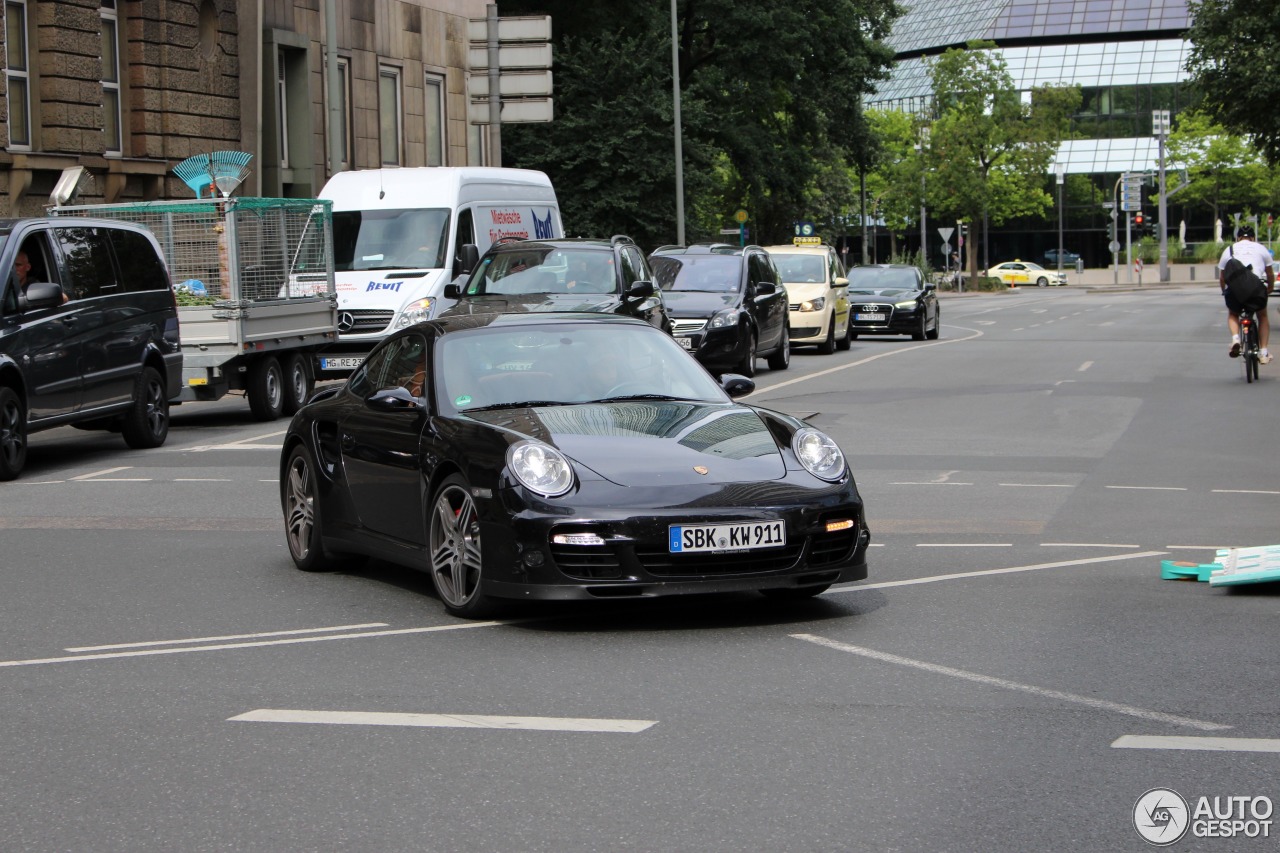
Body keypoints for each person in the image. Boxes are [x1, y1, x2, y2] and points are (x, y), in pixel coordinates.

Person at [1218, 223, 1275, 363]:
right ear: (1253, 238)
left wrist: (1224, 291)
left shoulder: (1229, 249)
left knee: (1233, 313)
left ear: (1238, 238)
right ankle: (1263, 352)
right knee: (1262, 316)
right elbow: (1270, 274)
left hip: (1235, 290)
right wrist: (1270, 288)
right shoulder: (1261, 248)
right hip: (1256, 288)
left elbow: (1222, 277)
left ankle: (1235, 339)